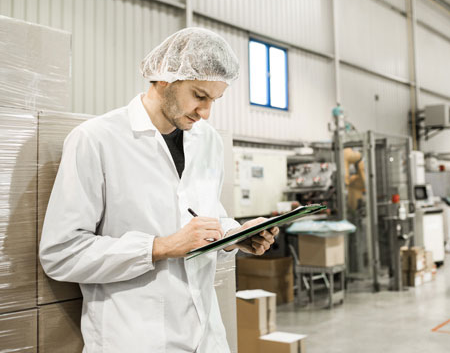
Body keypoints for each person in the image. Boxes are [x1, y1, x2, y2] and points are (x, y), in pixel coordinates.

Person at [39, 28, 279, 352]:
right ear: (164, 79)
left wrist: (235, 234)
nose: (206, 112)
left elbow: (205, 211)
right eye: (199, 95)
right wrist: (159, 247)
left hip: (206, 339)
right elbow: (61, 252)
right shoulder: (96, 140)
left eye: (214, 100)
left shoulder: (206, 140)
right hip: (134, 339)